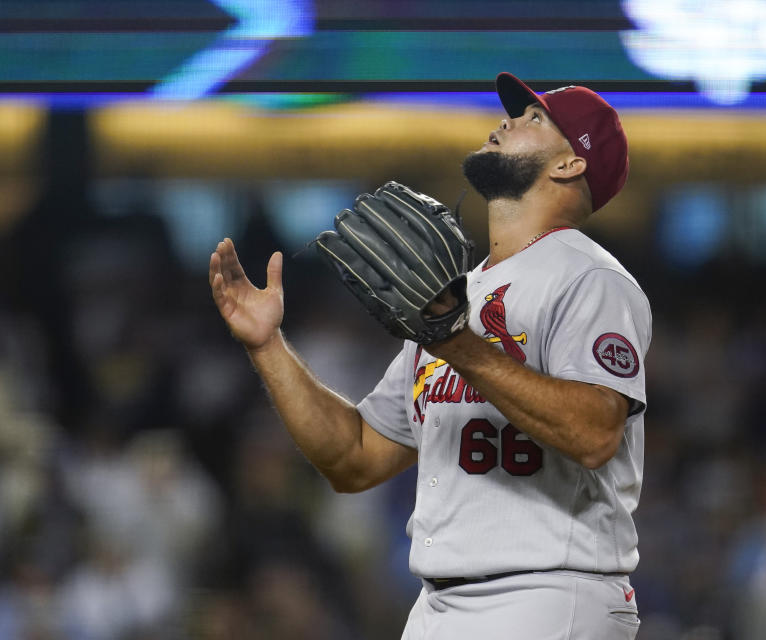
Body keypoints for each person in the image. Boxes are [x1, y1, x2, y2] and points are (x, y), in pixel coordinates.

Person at [209, 72, 651, 639]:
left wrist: (453, 340)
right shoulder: (456, 294)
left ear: (570, 165)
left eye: (534, 119)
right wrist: (267, 346)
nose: (507, 121)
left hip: (549, 592)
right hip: (440, 603)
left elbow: (595, 434)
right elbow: (355, 457)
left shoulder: (590, 278)